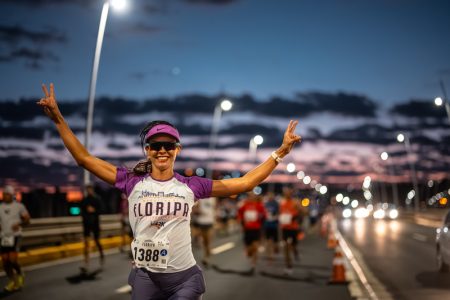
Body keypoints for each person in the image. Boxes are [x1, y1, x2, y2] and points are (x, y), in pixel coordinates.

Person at [37, 83, 301, 300]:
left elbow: (243, 183)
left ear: (177, 150)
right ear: (147, 150)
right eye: (155, 145)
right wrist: (58, 119)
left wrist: (280, 153)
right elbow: (84, 159)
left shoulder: (191, 186)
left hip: (183, 279)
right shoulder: (130, 181)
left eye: (168, 145)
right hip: (145, 278)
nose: (162, 149)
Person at [0, 185, 30, 292]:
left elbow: (27, 220)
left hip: (15, 235)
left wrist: (20, 223)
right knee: (5, 261)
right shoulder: (0, 207)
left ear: (11, 195)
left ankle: (20, 273)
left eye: (7, 194)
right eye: (3, 194)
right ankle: (12, 280)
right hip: (3, 237)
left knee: (12, 260)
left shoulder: (19, 206)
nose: (4, 196)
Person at [237, 192, 266, 273]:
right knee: (249, 251)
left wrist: (261, 217)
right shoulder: (244, 205)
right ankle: (250, 254)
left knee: (255, 247)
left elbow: (264, 215)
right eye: (249, 196)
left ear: (255, 197)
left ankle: (253, 265)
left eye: (252, 196)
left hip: (256, 229)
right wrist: (240, 221)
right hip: (247, 230)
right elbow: (239, 213)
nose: (251, 197)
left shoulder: (259, 205)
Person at [80, 184, 105, 272]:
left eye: (90, 189)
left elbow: (102, 210)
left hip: (95, 224)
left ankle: (102, 255)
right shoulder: (85, 200)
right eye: (87, 190)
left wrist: (94, 210)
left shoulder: (97, 199)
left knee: (97, 241)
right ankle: (86, 264)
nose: (89, 191)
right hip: (87, 224)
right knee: (86, 244)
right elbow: (82, 212)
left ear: (92, 190)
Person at [279, 186, 302, 276]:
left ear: (291, 193)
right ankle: (288, 266)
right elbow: (280, 213)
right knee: (286, 247)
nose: (286, 194)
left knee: (293, 246)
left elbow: (303, 212)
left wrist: (298, 212)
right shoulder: (282, 202)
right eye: (285, 192)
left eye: (288, 192)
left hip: (293, 228)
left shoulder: (295, 202)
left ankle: (296, 253)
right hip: (285, 228)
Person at [191, 197, 216, 267]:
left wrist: (215, 219)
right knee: (204, 242)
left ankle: (206, 258)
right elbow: (194, 209)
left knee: (207, 242)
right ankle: (197, 240)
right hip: (201, 222)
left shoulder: (213, 198)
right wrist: (198, 211)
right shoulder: (200, 198)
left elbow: (215, 209)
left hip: (209, 222)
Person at [262, 192, 279, 263]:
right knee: (268, 241)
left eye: (271, 195)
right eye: (269, 195)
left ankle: (273, 252)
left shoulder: (276, 204)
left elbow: (279, 213)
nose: (270, 197)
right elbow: (263, 213)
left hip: (274, 225)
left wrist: (275, 217)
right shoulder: (265, 204)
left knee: (275, 243)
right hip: (267, 225)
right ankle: (269, 255)